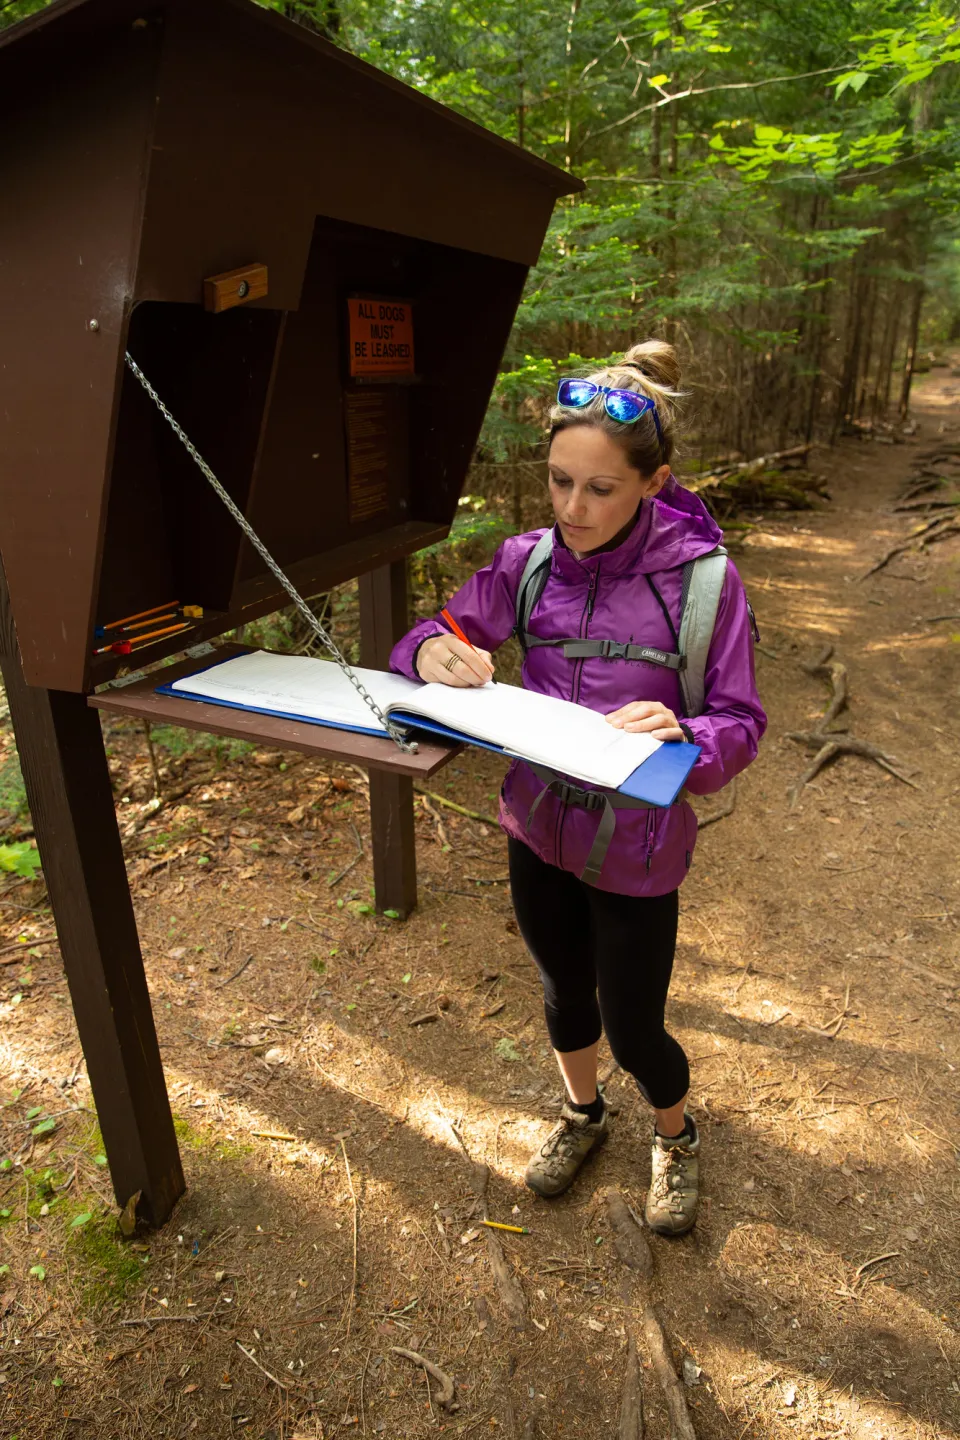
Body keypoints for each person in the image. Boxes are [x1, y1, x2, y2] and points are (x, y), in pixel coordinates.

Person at [389, 341, 766, 1236]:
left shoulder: (705, 582)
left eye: (599, 488)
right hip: (537, 828)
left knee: (636, 1031)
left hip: (638, 852)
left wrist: (690, 732)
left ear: (653, 480)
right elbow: (433, 635)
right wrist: (427, 650)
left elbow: (740, 720)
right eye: (560, 481)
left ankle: (674, 1137)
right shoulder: (527, 563)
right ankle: (582, 1118)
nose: (573, 506)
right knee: (563, 992)